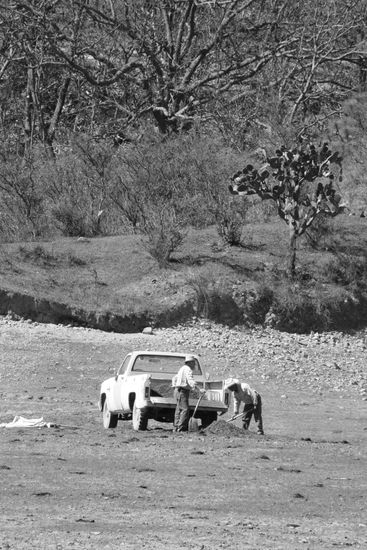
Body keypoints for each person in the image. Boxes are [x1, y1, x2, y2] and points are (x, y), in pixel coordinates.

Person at [172, 354, 205, 432]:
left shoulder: (182, 369)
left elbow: (174, 378)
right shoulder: (188, 369)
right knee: (185, 409)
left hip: (177, 391)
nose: (194, 365)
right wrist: (199, 389)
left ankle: (176, 427)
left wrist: (174, 386)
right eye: (193, 363)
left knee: (179, 409)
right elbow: (190, 380)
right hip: (182, 391)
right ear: (190, 362)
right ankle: (181, 428)